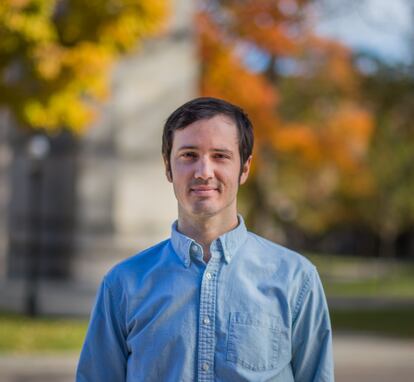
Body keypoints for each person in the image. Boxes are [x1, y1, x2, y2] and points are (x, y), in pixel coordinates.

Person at [76, 97, 334, 381]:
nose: (203, 172)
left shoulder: (296, 279)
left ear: (244, 168)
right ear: (168, 167)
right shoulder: (123, 284)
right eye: (188, 155)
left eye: (220, 156)